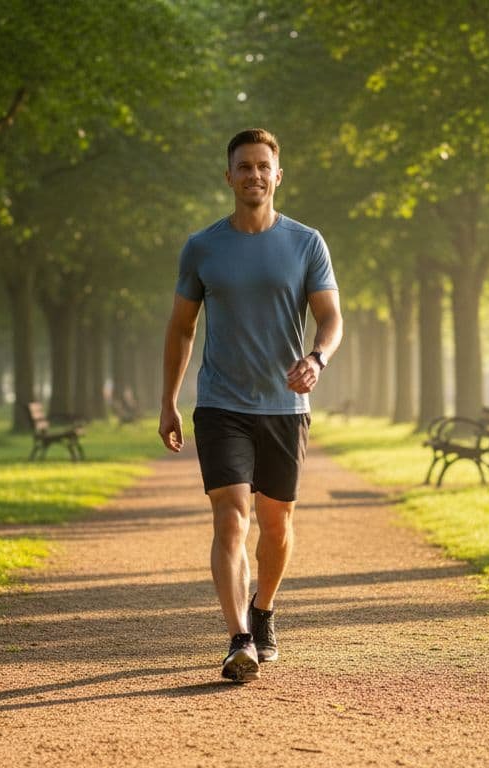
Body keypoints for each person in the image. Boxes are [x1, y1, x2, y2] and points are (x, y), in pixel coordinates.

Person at [159, 128, 343, 683]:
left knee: (276, 526)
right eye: (244, 166)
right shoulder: (203, 247)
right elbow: (181, 328)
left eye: (264, 166)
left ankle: (263, 610)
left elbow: (331, 318)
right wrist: (169, 400)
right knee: (231, 519)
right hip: (220, 404)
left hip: (284, 407)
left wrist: (317, 358)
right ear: (229, 176)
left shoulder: (307, 242)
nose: (254, 175)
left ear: (277, 175)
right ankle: (238, 636)